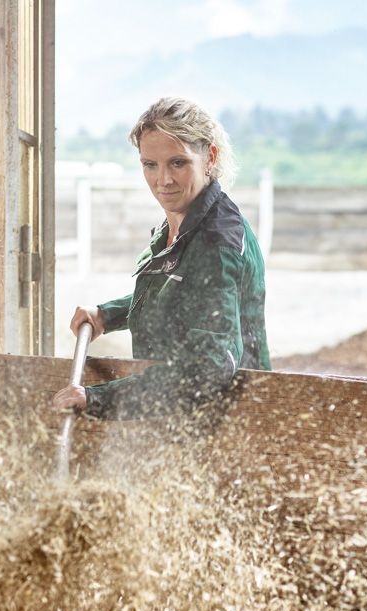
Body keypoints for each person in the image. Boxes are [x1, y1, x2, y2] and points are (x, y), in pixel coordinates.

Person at [51, 97, 268, 421]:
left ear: (210, 157)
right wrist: (108, 315)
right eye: (150, 164)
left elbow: (208, 371)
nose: (163, 180)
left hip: (227, 423)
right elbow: (183, 296)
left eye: (178, 163)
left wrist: (98, 399)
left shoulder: (217, 243)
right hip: (175, 416)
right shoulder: (183, 224)